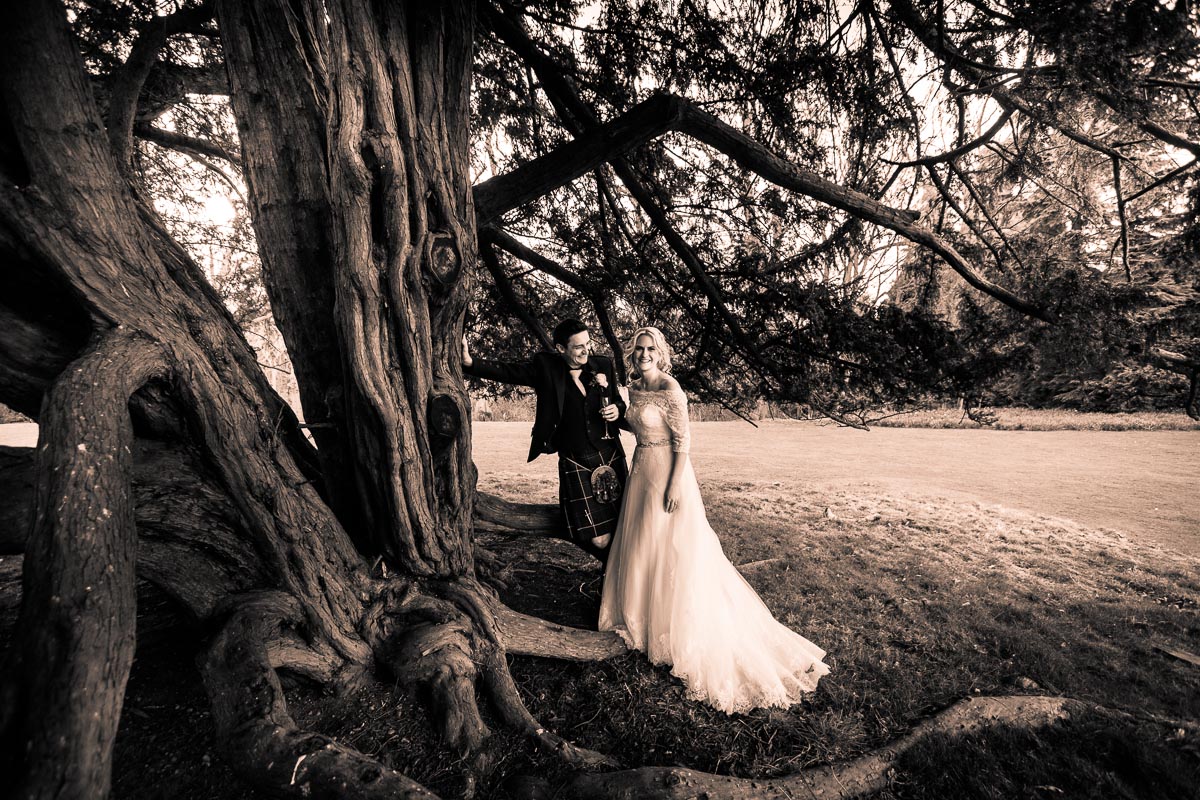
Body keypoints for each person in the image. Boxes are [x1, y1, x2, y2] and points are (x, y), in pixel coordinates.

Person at [599, 326, 830, 714]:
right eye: (638, 348)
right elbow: (640, 423)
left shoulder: (672, 389)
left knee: (673, 548)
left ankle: (675, 627)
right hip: (641, 473)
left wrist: (674, 485)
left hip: (668, 474)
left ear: (660, 353)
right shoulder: (635, 387)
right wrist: (618, 415)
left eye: (650, 348)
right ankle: (641, 619)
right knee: (642, 544)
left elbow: (683, 441)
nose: (644, 354)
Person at [463, 319, 627, 556]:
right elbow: (510, 372)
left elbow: (618, 401)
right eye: (578, 346)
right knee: (598, 539)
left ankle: (615, 575)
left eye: (588, 343)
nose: (586, 350)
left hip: (610, 454)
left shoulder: (603, 365)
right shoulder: (547, 367)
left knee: (624, 522)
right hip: (575, 459)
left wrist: (617, 410)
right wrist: (471, 363)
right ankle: (612, 569)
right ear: (561, 348)